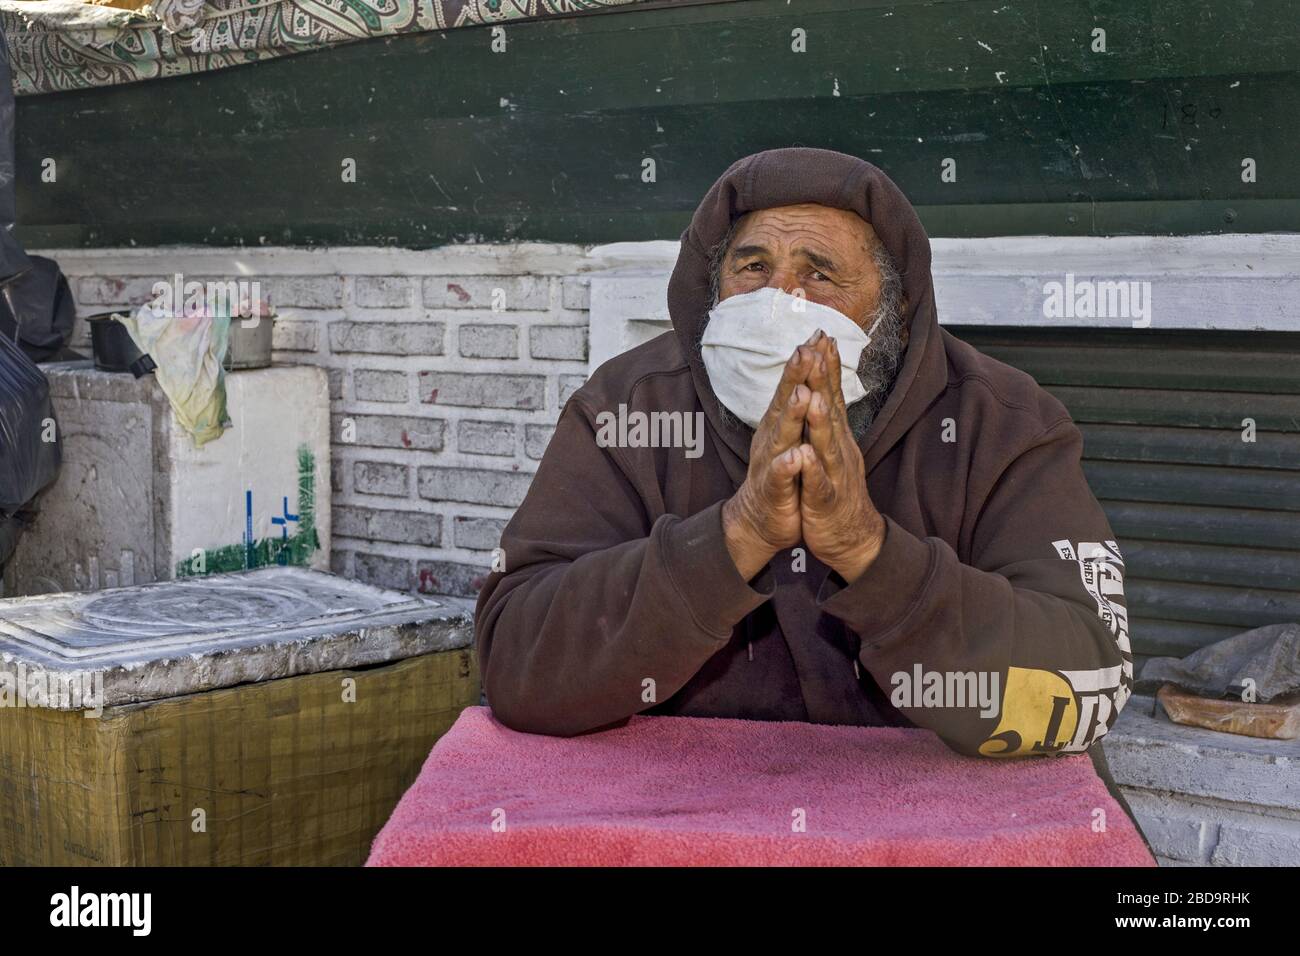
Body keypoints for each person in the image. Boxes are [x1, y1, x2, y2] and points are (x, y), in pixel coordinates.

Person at [474, 147, 1133, 759]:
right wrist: (736, 536)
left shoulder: (1002, 423)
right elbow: (517, 666)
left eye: (819, 274)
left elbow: (1090, 682)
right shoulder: (628, 410)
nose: (778, 300)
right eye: (753, 268)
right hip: (691, 822)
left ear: (897, 310)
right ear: (710, 290)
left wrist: (869, 554)